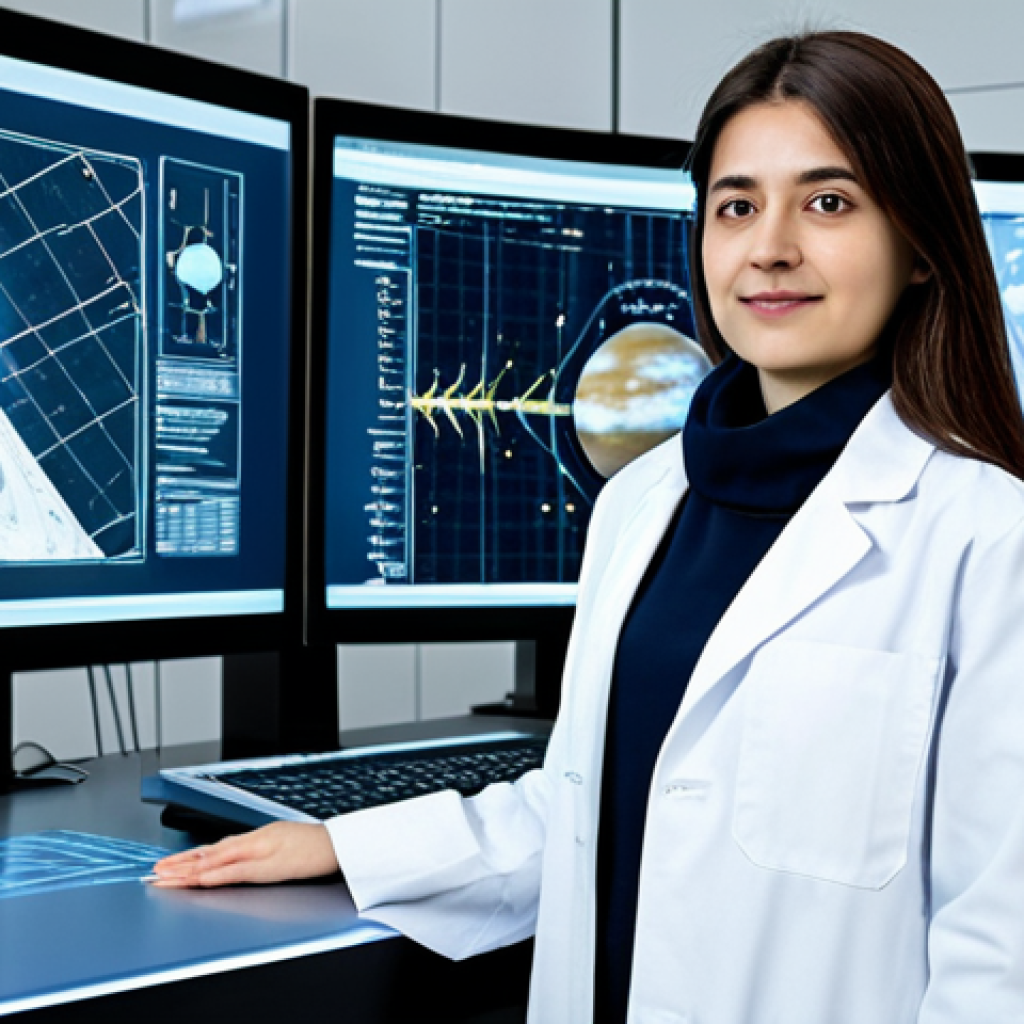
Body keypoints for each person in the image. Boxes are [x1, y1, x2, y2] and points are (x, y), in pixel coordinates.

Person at [153, 30, 1024, 1023]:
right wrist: (350, 845)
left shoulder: (986, 540)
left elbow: (1000, 944)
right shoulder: (639, 503)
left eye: (828, 202)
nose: (769, 245)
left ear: (919, 247)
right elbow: (591, 804)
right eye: (736, 204)